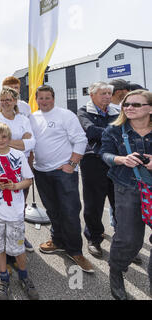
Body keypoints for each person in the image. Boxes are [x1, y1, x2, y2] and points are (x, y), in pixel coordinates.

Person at [30, 85, 94, 273]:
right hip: (41, 171)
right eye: (40, 98)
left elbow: (81, 140)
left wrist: (72, 165)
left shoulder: (66, 115)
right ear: (36, 99)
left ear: (54, 98)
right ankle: (57, 241)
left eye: (47, 97)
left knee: (69, 211)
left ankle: (75, 251)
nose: (44, 101)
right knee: (52, 210)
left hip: (63, 172)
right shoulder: (33, 118)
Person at [0, 122, 38, 300]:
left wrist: (15, 186)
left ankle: (24, 276)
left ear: (9, 138)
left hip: (15, 210)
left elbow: (28, 180)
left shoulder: (18, 155)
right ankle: (3, 277)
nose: (1, 140)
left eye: (4, 137)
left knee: (17, 246)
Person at [100, 89, 152, 300]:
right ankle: (117, 269)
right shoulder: (113, 130)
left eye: (136, 105)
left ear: (150, 108)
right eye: (126, 104)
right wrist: (121, 160)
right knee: (129, 238)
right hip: (127, 187)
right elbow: (104, 153)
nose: (129, 108)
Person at [0, 87, 36, 253]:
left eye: (9, 99)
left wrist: (6, 141)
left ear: (15, 101)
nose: (6, 102)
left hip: (21, 167)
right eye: (2, 99)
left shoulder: (23, 119)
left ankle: (18, 234)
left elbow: (31, 143)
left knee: (19, 201)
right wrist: (19, 141)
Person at [77, 82, 119, 258]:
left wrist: (115, 133)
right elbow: (91, 131)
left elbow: (127, 130)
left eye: (109, 93)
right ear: (92, 95)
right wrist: (116, 133)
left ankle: (123, 242)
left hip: (118, 163)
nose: (107, 96)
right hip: (93, 162)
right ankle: (94, 238)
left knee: (120, 204)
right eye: (103, 93)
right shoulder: (83, 111)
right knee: (94, 204)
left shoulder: (117, 111)